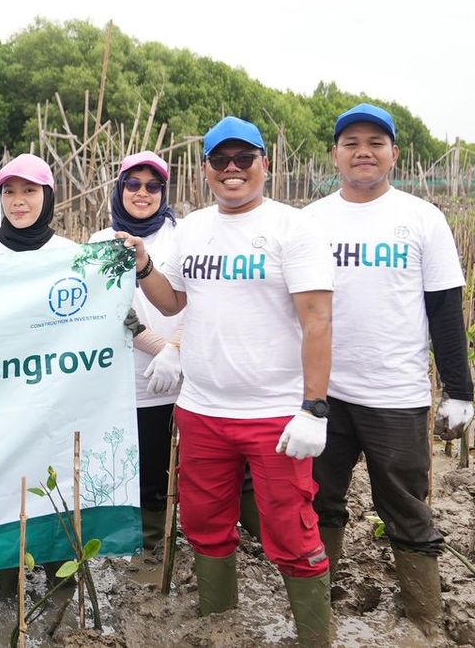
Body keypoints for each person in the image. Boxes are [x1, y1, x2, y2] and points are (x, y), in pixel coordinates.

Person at [118, 116, 335, 646]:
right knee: (205, 524)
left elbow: (317, 321)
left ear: (265, 163)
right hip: (201, 410)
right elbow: (173, 301)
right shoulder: (192, 228)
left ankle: (315, 637)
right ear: (205, 169)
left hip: (274, 414)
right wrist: (144, 265)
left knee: (292, 531)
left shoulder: (293, 228)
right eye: (220, 160)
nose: (232, 169)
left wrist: (314, 408)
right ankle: (220, 629)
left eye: (244, 159)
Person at [303, 103, 473, 636]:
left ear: (394, 154)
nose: (363, 152)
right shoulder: (310, 221)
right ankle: (316, 610)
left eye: (375, 143)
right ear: (335, 154)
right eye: (351, 143)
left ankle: (424, 620)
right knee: (319, 500)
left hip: (396, 394)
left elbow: (445, 309)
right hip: (323, 393)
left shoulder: (422, 219)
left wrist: (460, 391)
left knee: (405, 504)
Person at [88, 151, 185, 551]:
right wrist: (157, 346)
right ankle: (145, 546)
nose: (142, 193)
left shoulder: (182, 237)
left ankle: (170, 542)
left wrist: (176, 351)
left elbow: (202, 301)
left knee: (174, 470)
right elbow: (104, 310)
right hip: (128, 379)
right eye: (133, 184)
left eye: (153, 186)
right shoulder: (100, 243)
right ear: (120, 189)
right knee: (137, 469)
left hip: (183, 375)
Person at [0, 153, 74, 255]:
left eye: (29, 190)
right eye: (9, 192)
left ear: (48, 195)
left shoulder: (69, 255)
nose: (17, 202)